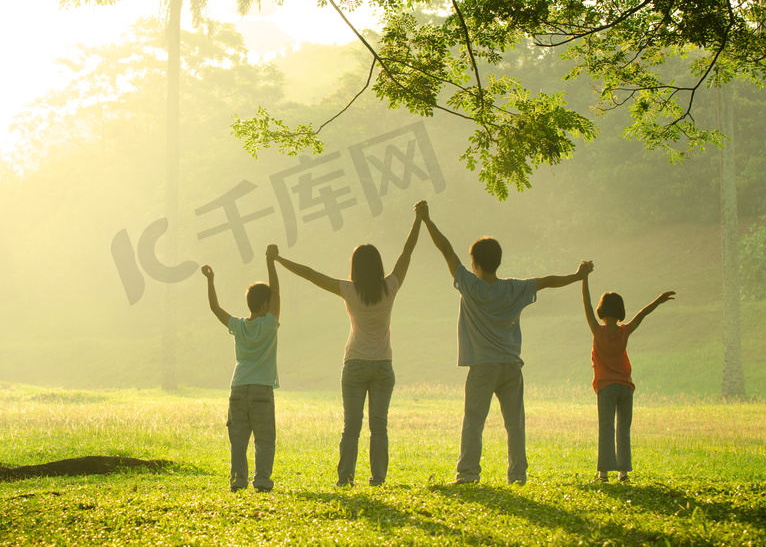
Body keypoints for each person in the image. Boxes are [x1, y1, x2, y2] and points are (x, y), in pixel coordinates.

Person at [419, 201, 593, 485]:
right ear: (497, 261)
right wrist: (578, 275)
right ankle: (518, 476)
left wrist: (427, 220)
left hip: (482, 366)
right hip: (512, 366)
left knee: (474, 421)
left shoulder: (469, 285)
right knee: (515, 425)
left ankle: (468, 474)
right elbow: (547, 281)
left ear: (474, 263)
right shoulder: (514, 287)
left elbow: (446, 250)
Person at [271, 201, 424, 487]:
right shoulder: (390, 287)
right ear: (379, 266)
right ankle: (377, 479)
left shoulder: (349, 290)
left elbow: (310, 274)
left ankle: (345, 479)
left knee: (351, 427)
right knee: (379, 427)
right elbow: (407, 252)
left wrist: (279, 260)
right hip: (382, 366)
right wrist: (419, 219)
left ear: (354, 267)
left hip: (354, 365)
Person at [201, 243, 281, 492]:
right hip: (262, 391)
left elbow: (215, 308)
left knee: (238, 440)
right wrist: (270, 261)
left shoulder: (238, 326)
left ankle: (238, 479)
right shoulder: (269, 324)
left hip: (237, 389)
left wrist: (210, 280)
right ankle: (263, 480)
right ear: (266, 306)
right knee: (264, 438)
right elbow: (277, 291)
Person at [582, 269, 674, 482]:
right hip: (625, 387)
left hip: (606, 387)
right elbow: (642, 314)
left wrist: (584, 278)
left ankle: (603, 474)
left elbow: (586, 303)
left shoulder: (597, 330)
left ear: (601, 310)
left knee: (606, 428)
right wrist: (658, 300)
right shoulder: (625, 331)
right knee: (623, 430)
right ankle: (623, 474)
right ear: (620, 311)